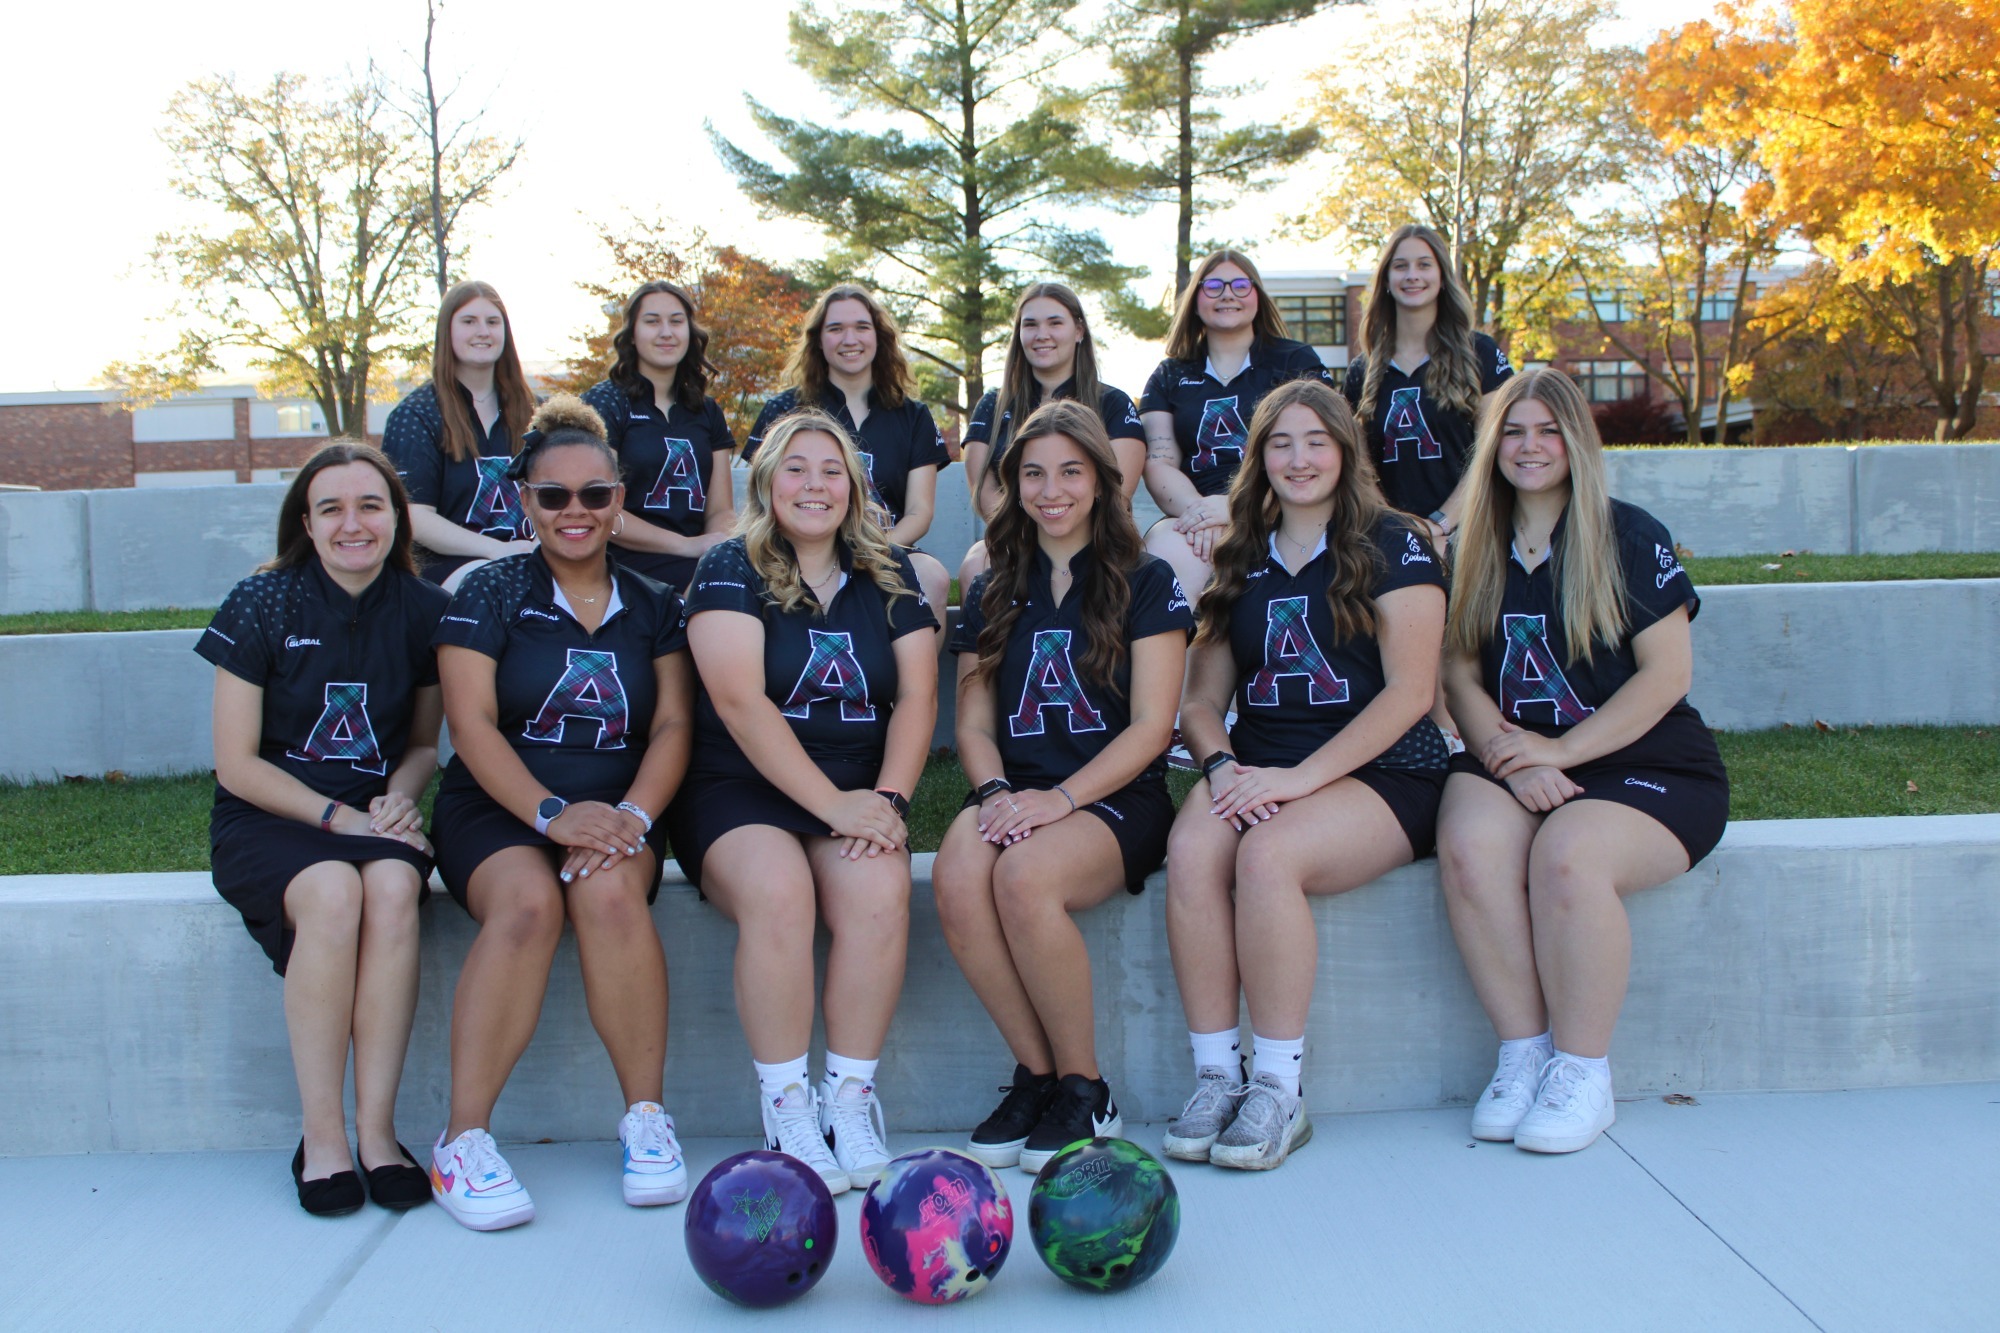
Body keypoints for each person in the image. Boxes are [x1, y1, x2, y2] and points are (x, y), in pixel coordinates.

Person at [1436, 367, 1729, 1155]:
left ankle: (1582, 1070)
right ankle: (1524, 1052)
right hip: (1511, 750)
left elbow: (1669, 676)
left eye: (1548, 430)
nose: (1530, 447)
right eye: (1515, 431)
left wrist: (1560, 751)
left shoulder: (1629, 534)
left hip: (1647, 763)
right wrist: (1509, 757)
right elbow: (1458, 670)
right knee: (1467, 847)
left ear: (1577, 440)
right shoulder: (1474, 544)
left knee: (1567, 855)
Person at [1160, 381, 1449, 1172]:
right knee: (1191, 851)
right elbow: (1203, 698)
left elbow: (1412, 693)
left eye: (1316, 440)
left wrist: (1295, 780)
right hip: (1260, 763)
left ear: (1346, 450)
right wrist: (1220, 765)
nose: (1299, 458)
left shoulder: (1395, 540)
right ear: (1258, 458)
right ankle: (1218, 1075)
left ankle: (1280, 1088)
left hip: (1387, 768)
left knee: (1267, 855)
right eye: (1280, 443)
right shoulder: (1243, 549)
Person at [426, 396, 695, 1230]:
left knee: (609, 894)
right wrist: (550, 813)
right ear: (524, 500)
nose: (574, 512)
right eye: (553, 496)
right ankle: (461, 1141)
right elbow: (467, 724)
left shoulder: (654, 603)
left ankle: (646, 1120)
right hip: (503, 806)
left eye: (594, 494)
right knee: (529, 902)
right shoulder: (488, 591)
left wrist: (634, 819)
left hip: (620, 811)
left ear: (619, 499)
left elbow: (675, 724)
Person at [666, 411, 938, 1196]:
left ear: (854, 486)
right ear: (765, 481)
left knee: (881, 885)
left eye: (830, 469)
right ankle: (786, 1103)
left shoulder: (890, 573)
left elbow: (918, 699)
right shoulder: (728, 564)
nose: (814, 483)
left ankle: (848, 1098)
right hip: (739, 785)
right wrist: (835, 804)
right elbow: (740, 703)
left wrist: (886, 799)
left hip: (856, 784)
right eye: (795, 467)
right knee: (780, 892)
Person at [933, 399, 1193, 1173]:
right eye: (1034, 472)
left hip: (1116, 796)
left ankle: (1086, 1085)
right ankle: (1036, 1074)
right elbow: (973, 723)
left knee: (1022, 875)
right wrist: (993, 795)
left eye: (1071, 471)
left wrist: (1059, 801)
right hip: (1018, 791)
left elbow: (1154, 727)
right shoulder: (991, 586)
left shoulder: (1145, 579)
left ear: (1103, 481)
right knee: (955, 872)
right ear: (1012, 483)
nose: (1051, 489)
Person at [197, 441, 448, 1216]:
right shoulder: (261, 602)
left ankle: (378, 1132)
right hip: (272, 815)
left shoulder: (424, 609)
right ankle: (324, 1136)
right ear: (305, 521)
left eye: (370, 505)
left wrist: (402, 798)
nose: (352, 523)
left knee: (394, 889)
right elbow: (236, 764)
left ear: (396, 518)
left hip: (370, 816)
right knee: (337, 892)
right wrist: (340, 816)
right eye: (331, 507)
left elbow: (418, 747)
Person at [743, 284, 952, 616]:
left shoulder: (913, 416)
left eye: (861, 327)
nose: (849, 339)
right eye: (836, 329)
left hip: (888, 547)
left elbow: (919, 512)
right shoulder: (784, 410)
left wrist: (873, 552)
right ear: (818, 340)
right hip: (797, 549)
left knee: (933, 578)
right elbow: (762, 500)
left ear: (879, 336)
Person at [1140, 250, 1334, 596]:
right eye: (1213, 285)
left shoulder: (1295, 360)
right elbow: (1159, 460)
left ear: (1258, 296)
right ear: (1195, 298)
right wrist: (1205, 514)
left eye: (1240, 285)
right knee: (1164, 550)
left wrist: (1235, 508)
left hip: (1282, 507)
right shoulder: (1170, 374)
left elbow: (1325, 450)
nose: (1227, 294)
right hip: (1194, 513)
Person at [957, 282, 1147, 589]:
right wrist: (1026, 535)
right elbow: (983, 491)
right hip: (1015, 536)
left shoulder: (1112, 403)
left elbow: (1118, 490)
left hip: (1094, 538)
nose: (1041, 334)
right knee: (977, 566)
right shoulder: (992, 405)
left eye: (1055, 323)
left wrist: (1059, 538)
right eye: (1030, 325)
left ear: (1079, 331)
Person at [1342, 224, 1514, 542]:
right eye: (1400, 266)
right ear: (1386, 281)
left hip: (1471, 535)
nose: (1412, 275)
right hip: (1391, 539)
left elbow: (1493, 449)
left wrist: (1441, 523)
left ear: (1442, 276)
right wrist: (1399, 528)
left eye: (1424, 264)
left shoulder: (1481, 353)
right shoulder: (1362, 371)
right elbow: (1357, 465)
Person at [382, 280, 540, 591]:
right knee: (492, 586)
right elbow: (414, 517)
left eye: (493, 322)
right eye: (469, 321)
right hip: (448, 565)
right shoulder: (416, 415)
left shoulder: (536, 410)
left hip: (529, 553)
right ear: (447, 332)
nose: (483, 331)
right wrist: (497, 552)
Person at [581, 280, 737, 591]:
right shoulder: (606, 403)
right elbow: (599, 508)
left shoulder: (707, 411)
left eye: (676, 322)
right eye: (652, 322)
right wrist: (686, 546)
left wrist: (717, 546)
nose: (666, 332)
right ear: (632, 335)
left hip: (694, 559)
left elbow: (721, 510)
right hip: (622, 558)